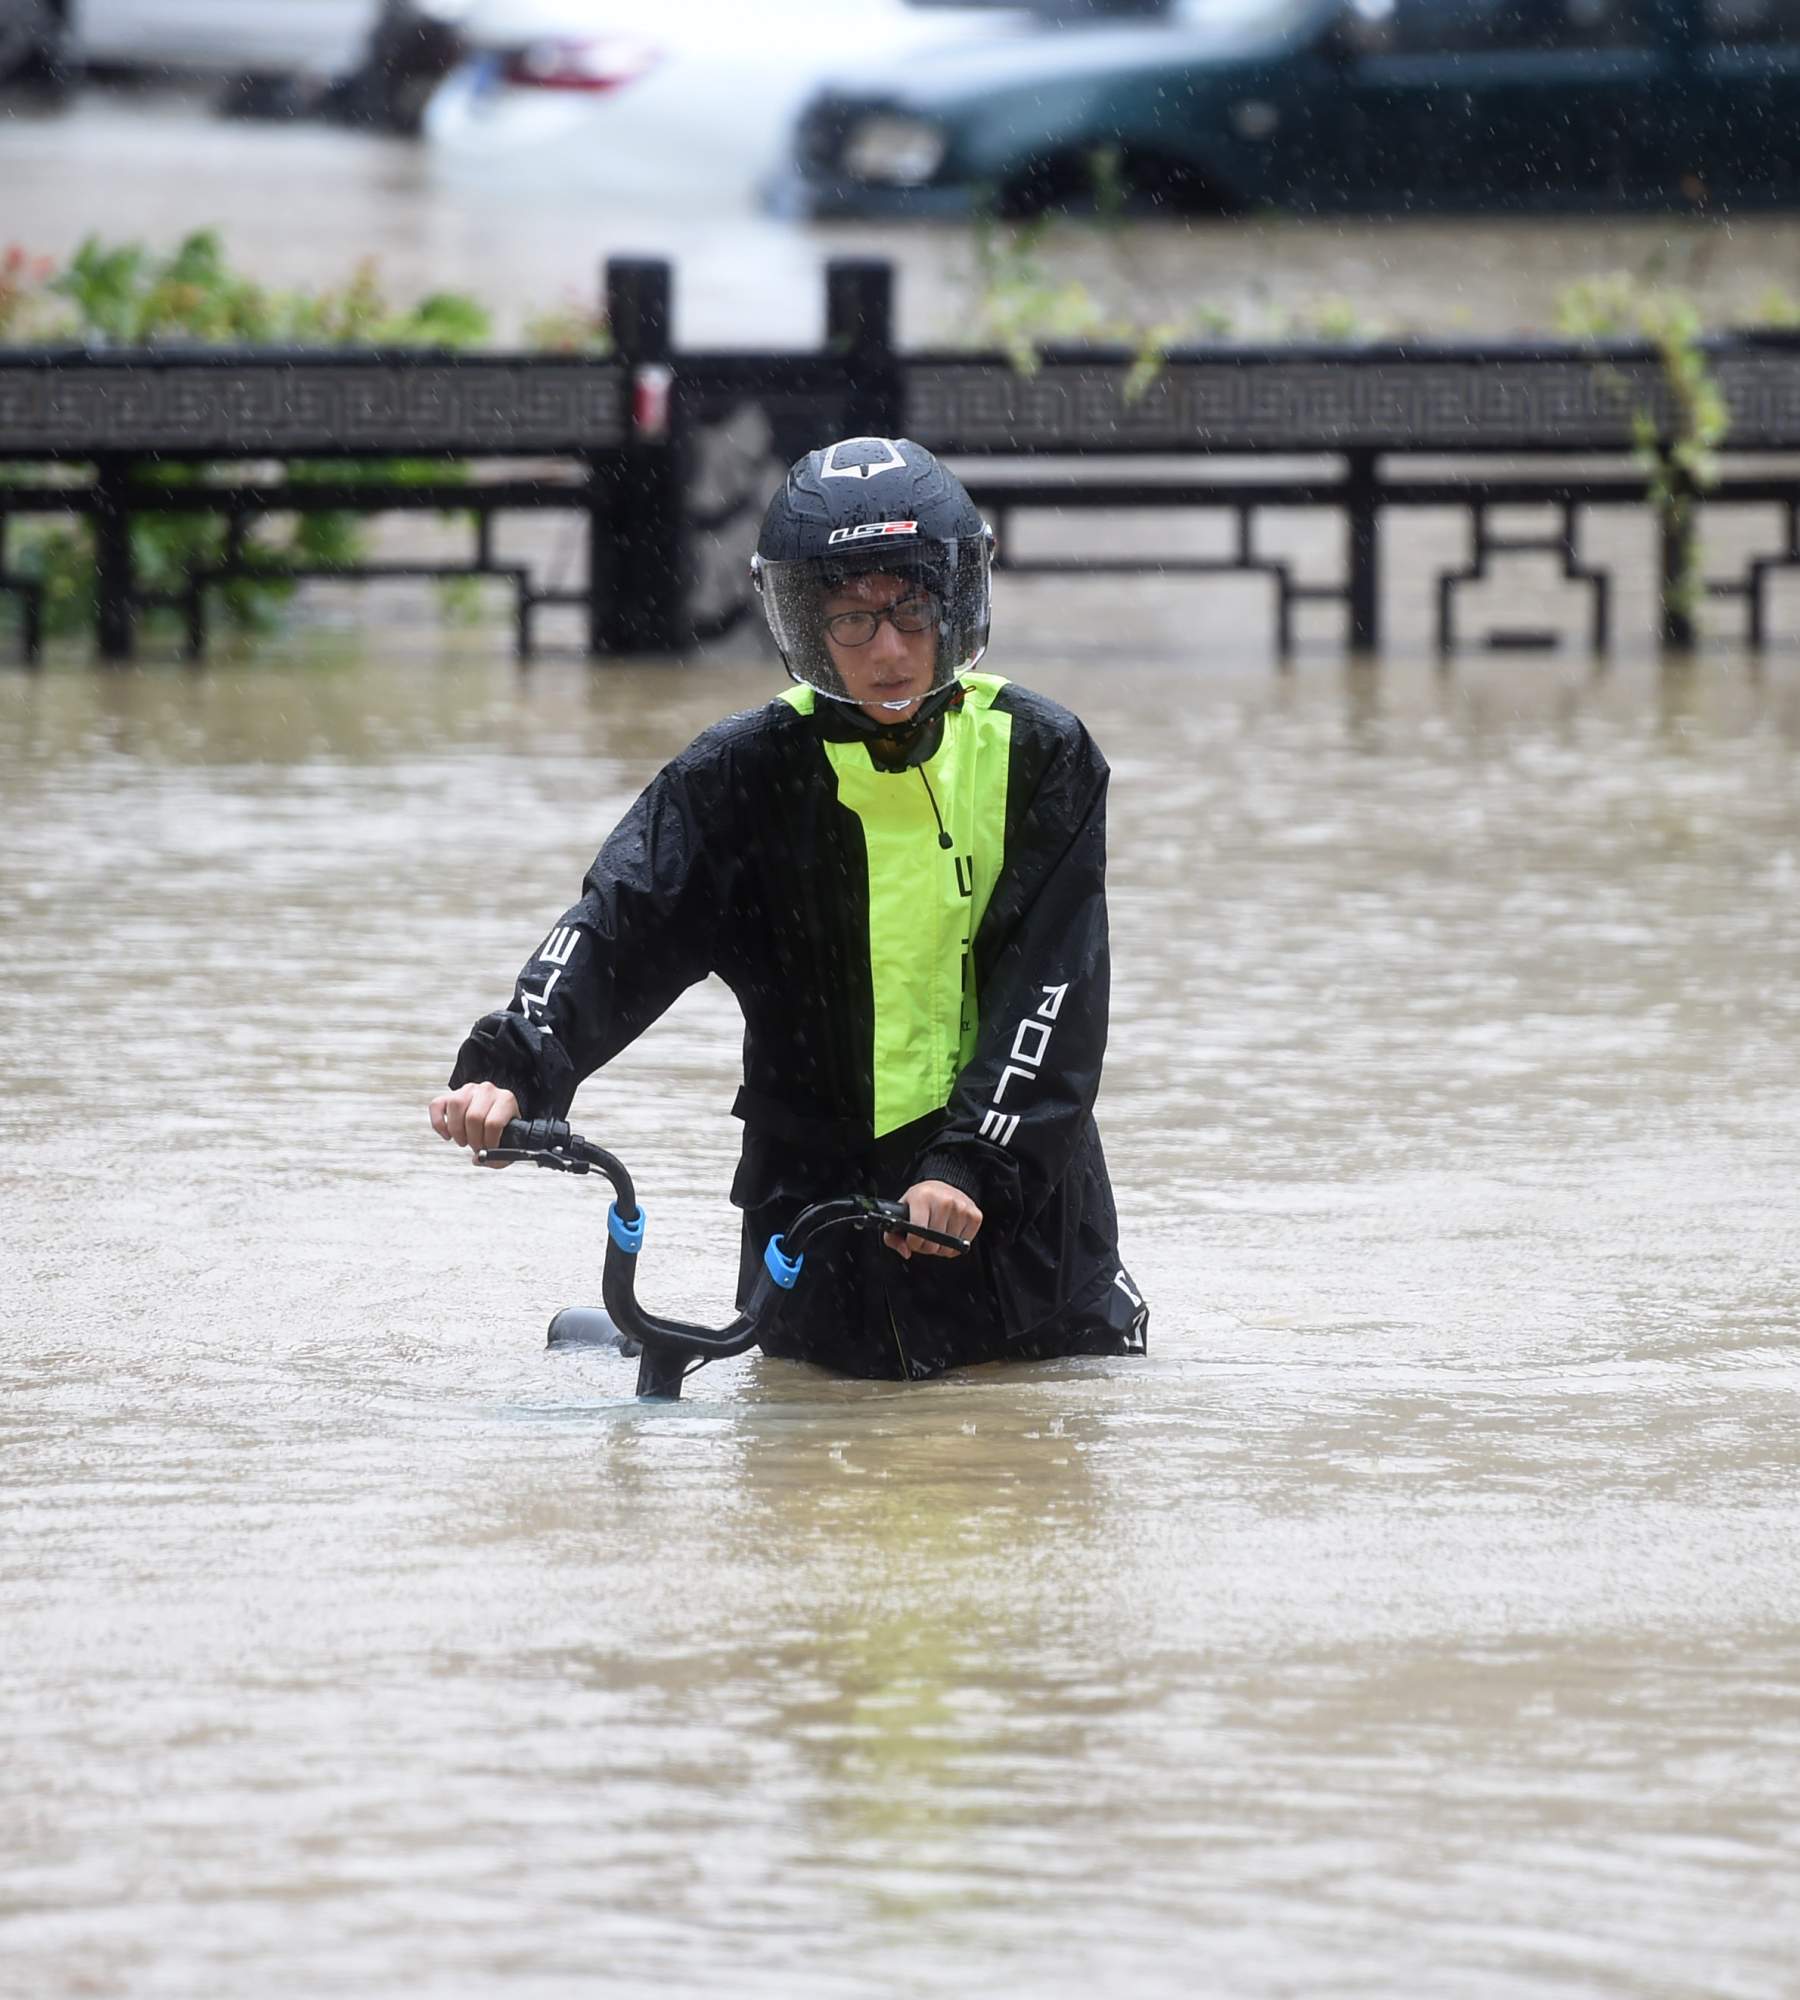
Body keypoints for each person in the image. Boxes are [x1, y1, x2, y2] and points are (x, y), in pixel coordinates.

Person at [429, 435, 1148, 1380]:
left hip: (1021, 1247)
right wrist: (515, 1068)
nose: (888, 649)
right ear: (808, 628)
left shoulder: (1043, 756)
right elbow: (619, 925)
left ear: (955, 603)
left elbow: (1050, 999)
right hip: (816, 1228)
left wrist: (969, 1165)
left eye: (909, 610)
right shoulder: (738, 774)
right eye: (853, 621)